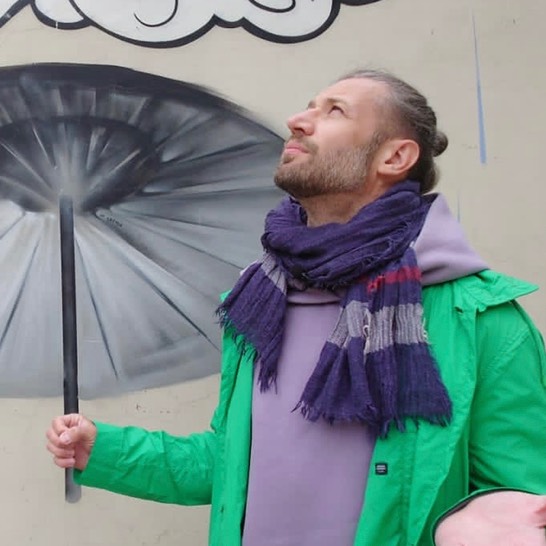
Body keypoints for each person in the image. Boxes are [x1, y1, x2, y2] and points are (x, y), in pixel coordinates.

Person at [46, 69, 546, 546]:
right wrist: (104, 450)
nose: (297, 121)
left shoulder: (479, 322)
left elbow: (521, 504)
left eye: (334, 111)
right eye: (309, 106)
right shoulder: (260, 301)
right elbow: (229, 463)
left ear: (395, 157)